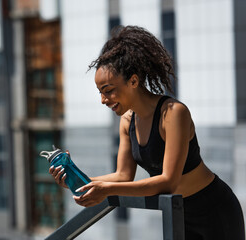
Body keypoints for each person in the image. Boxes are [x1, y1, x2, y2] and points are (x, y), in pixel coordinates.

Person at [49, 25, 245, 239]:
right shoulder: (127, 122)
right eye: (101, 93)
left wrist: (106, 190)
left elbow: (168, 181)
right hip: (178, 213)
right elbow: (123, 176)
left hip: (213, 210)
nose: (104, 100)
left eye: (109, 91)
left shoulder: (172, 113)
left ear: (133, 81)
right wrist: (78, 182)